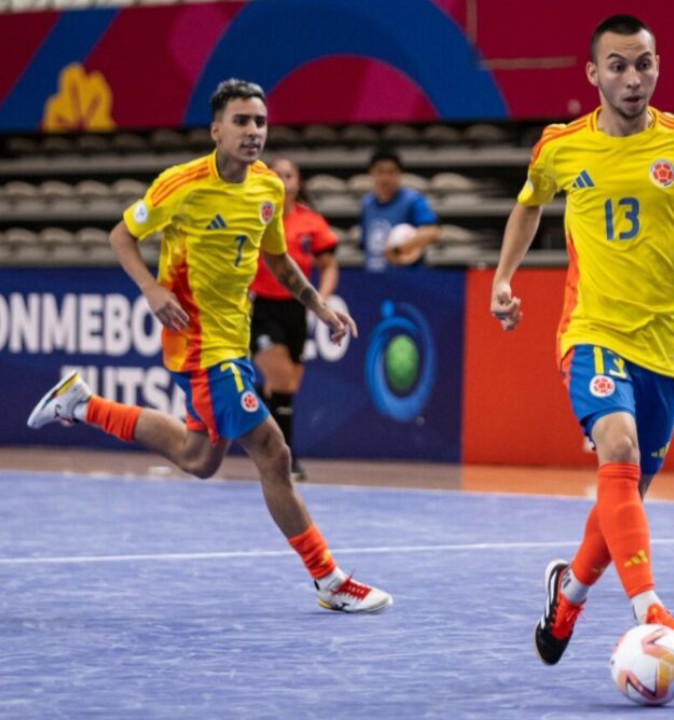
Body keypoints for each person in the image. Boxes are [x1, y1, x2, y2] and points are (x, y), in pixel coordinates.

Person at [27, 79, 392, 613]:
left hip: (232, 339)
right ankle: (329, 580)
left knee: (199, 459)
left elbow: (280, 261)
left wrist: (320, 307)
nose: (253, 132)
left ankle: (83, 403)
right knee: (273, 451)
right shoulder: (181, 184)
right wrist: (151, 290)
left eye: (260, 122)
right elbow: (120, 236)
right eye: (242, 122)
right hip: (199, 344)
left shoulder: (268, 188)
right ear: (216, 130)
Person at [490, 14, 674, 666]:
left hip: (665, 346)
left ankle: (569, 597)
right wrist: (504, 277)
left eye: (643, 63)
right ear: (593, 74)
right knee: (617, 445)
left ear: (658, 66)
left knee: (624, 496)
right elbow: (530, 202)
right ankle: (652, 611)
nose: (632, 77)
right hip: (591, 331)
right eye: (617, 65)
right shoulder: (561, 145)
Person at [249, 157, 339, 482]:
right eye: (277, 174)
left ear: (298, 182)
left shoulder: (311, 223)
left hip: (296, 309)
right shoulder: (255, 217)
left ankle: (254, 407)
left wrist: (321, 301)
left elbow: (328, 265)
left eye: (290, 175)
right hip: (261, 308)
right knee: (283, 379)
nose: (284, 180)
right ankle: (285, 456)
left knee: (286, 385)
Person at [357, 146, 440, 271]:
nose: (385, 178)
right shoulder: (367, 204)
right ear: (371, 173)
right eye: (380, 172)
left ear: (399, 174)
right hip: (374, 276)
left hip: (405, 277)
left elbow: (432, 232)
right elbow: (365, 244)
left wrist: (398, 249)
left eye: (391, 172)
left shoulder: (413, 200)